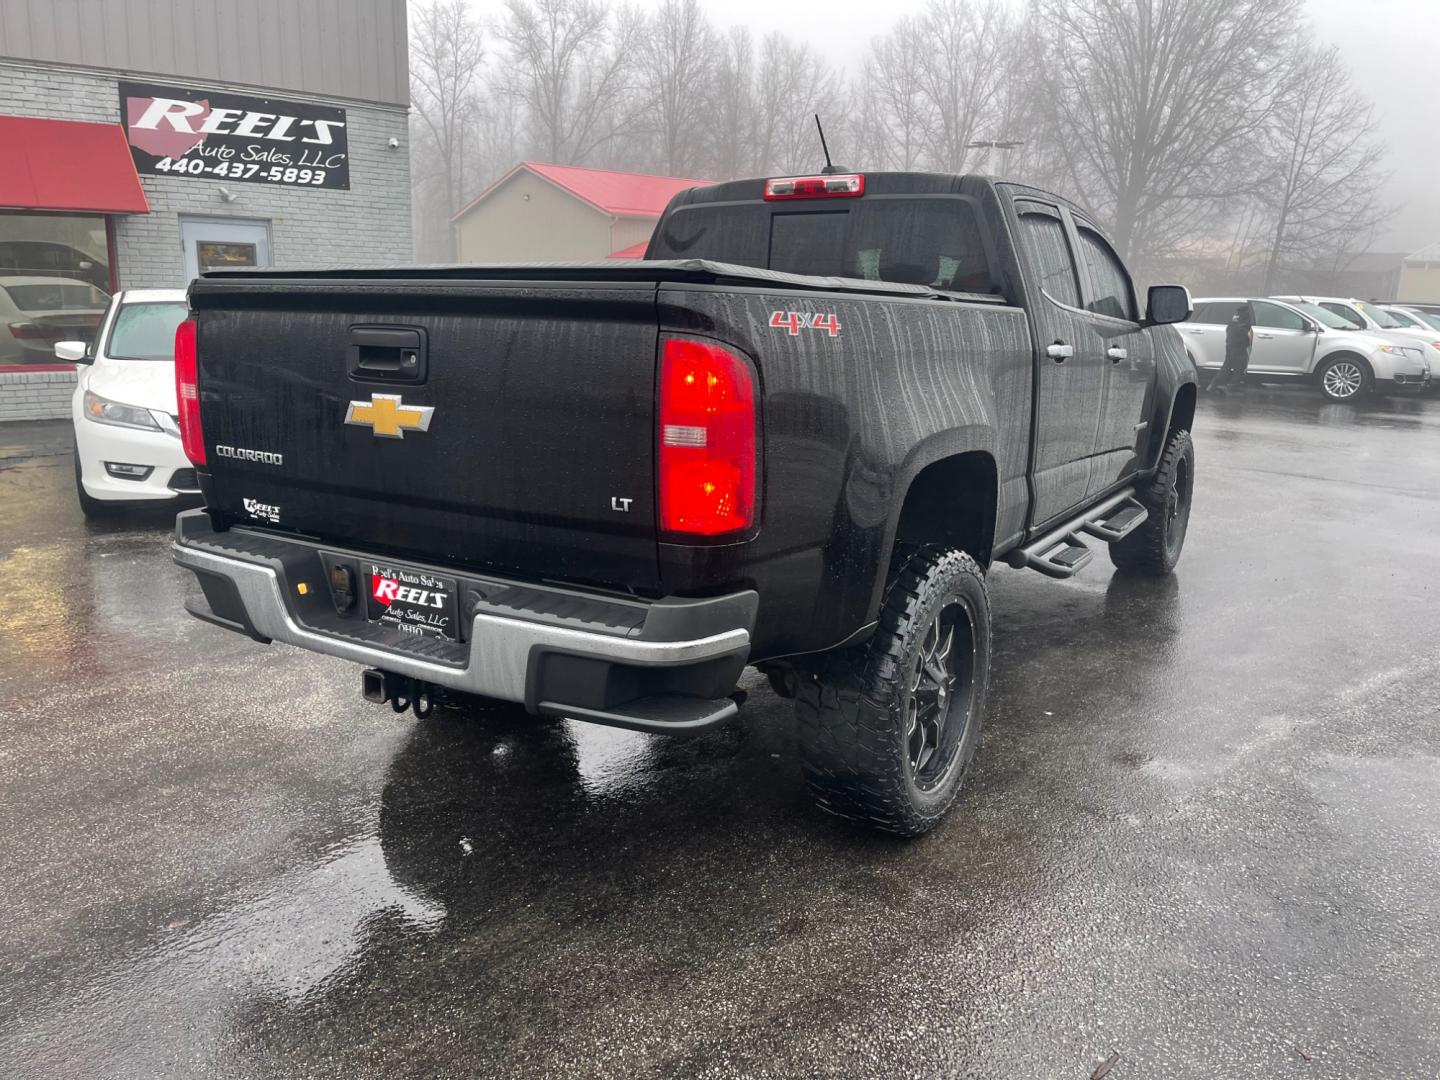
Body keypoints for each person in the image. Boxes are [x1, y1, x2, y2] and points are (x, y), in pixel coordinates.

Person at [1208, 302, 1254, 394]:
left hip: (1231, 343)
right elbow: (1244, 331)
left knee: (1227, 366)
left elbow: (1229, 329)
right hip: (1238, 344)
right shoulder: (1246, 317)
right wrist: (1245, 342)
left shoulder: (1236, 318)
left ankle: (1213, 385)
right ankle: (1232, 387)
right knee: (1240, 367)